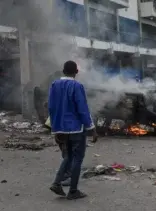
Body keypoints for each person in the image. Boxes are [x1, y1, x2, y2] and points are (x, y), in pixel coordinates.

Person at [48, 61, 98, 200]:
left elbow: (51, 108)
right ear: (76, 72)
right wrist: (92, 129)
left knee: (68, 156)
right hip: (76, 128)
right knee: (77, 158)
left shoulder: (54, 85)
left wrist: (55, 129)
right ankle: (73, 191)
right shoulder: (77, 86)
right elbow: (82, 109)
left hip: (61, 129)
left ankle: (57, 183)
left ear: (63, 71)